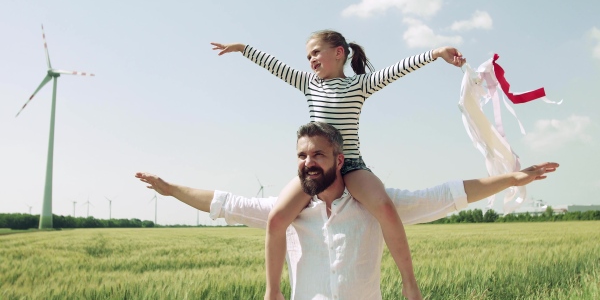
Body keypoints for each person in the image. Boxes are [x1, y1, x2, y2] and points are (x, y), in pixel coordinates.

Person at [136, 121, 559, 300]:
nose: (307, 162)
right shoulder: (285, 213)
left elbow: (446, 194)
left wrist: (511, 179)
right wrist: (171, 190)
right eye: (301, 155)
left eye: (317, 154)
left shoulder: (374, 206)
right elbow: (225, 204)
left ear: (340, 161)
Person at [210, 31, 466, 299]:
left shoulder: (359, 85)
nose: (311, 59)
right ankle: (273, 291)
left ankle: (410, 284)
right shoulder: (309, 83)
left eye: (316, 52)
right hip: (318, 167)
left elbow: (396, 70)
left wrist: (435, 54)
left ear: (339, 53)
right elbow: (275, 66)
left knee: (386, 209)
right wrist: (243, 48)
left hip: (352, 165)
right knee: (276, 219)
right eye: (308, 56)